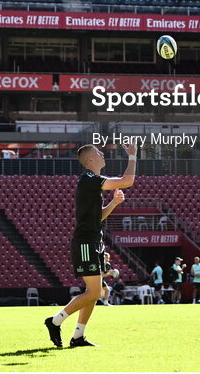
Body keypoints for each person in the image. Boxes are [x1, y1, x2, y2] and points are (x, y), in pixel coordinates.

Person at [44, 141, 137, 349]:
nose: (102, 154)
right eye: (98, 152)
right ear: (90, 159)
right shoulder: (89, 178)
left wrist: (113, 204)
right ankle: (55, 321)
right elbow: (127, 180)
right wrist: (132, 156)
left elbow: (98, 217)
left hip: (94, 239)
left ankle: (78, 337)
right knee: (95, 293)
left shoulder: (91, 181)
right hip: (86, 241)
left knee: (94, 293)